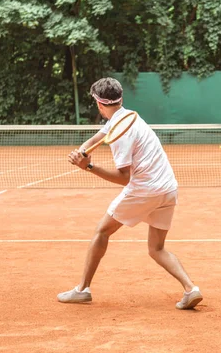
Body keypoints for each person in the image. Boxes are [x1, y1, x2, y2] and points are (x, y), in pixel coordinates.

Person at [57, 77, 203, 310]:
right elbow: (98, 137)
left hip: (145, 190)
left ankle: (82, 290)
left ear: (98, 103)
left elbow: (124, 178)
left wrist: (89, 167)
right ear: (120, 98)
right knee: (156, 249)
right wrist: (81, 151)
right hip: (168, 188)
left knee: (102, 231)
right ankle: (191, 289)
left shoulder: (120, 132)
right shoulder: (126, 116)